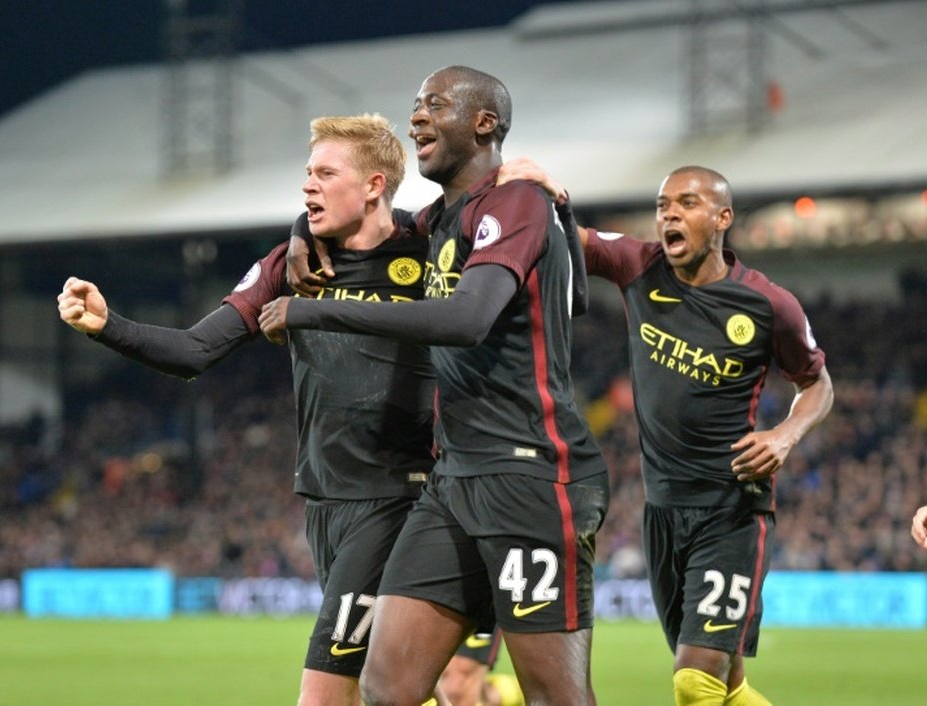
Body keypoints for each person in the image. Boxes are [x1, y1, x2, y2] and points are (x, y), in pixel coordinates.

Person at [58, 113, 462, 706]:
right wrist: (107, 326)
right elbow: (195, 350)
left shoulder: (428, 247)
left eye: (326, 173)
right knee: (388, 688)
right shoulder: (290, 264)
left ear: (375, 184)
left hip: (401, 497)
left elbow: (491, 220)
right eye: (307, 174)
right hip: (326, 502)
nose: (309, 186)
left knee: (323, 695)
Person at [259, 65, 610, 706]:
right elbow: (358, 217)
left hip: (530, 474)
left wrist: (312, 309)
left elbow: (466, 319)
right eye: (415, 104)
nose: (417, 115)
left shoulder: (516, 202)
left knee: (554, 694)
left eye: (435, 104)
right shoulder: (436, 222)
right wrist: (300, 228)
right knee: (388, 686)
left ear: (484, 124)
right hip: (451, 481)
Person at [570, 165, 832, 706]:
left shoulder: (767, 304)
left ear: (722, 218)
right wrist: (528, 191)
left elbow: (818, 384)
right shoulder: (639, 267)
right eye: (663, 204)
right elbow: (560, 236)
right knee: (725, 686)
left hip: (731, 509)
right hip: (662, 510)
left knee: (695, 682)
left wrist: (784, 435)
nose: (669, 213)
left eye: (686, 203)